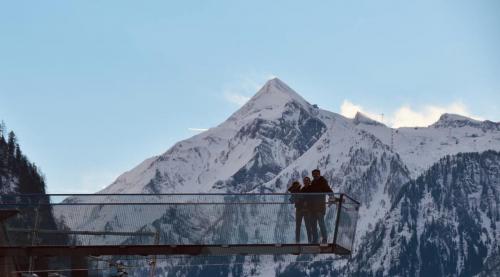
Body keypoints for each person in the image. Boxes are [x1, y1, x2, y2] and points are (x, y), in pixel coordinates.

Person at [303, 169, 333, 244]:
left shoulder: (322, 182)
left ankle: (324, 239)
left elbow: (328, 190)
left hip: (320, 207)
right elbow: (309, 194)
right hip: (313, 208)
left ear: (319, 174)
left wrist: (331, 197)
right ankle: (315, 240)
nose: (315, 176)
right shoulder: (313, 183)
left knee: (321, 223)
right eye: (314, 175)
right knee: (313, 225)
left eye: (316, 174)